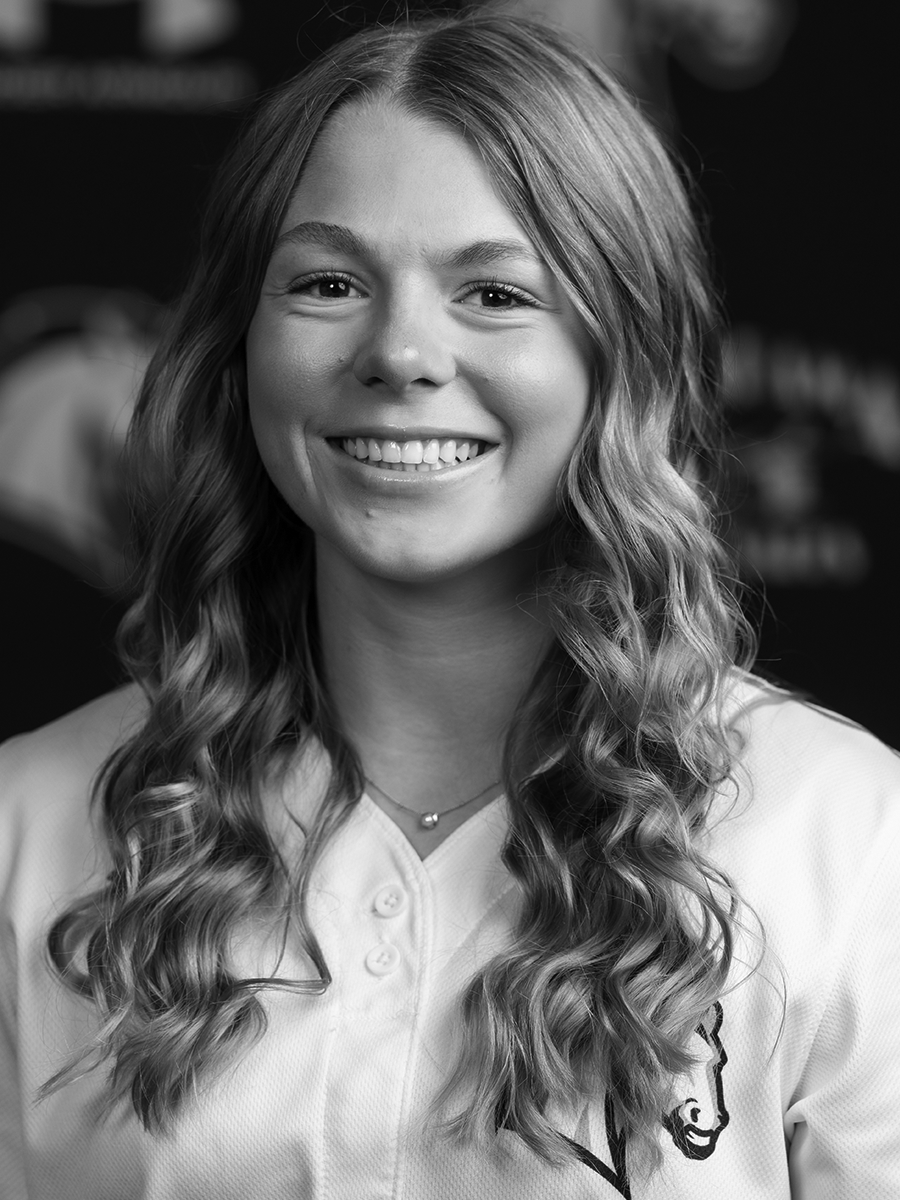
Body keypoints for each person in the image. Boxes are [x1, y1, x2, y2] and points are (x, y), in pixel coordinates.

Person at [0, 13, 897, 1199]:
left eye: (494, 292)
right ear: (238, 344)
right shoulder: (24, 828)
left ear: (623, 356)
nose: (401, 353)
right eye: (328, 283)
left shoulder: (847, 840)